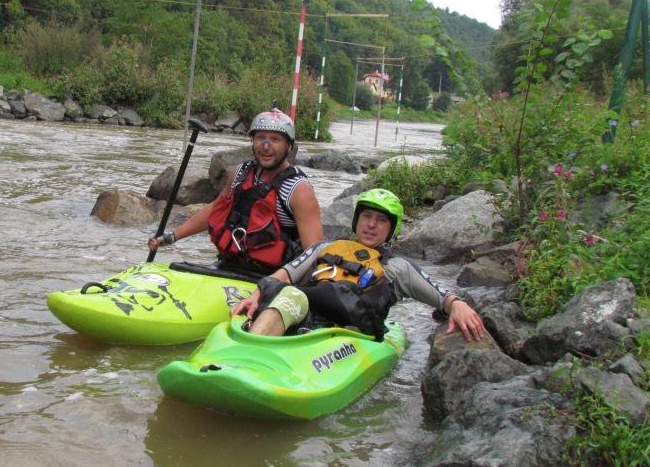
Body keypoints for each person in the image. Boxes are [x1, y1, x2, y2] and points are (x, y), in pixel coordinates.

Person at [230, 188, 485, 342]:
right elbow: (285, 275)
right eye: (366, 216)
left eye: (381, 220)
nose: (371, 225)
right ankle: (251, 348)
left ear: (391, 229)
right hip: (305, 311)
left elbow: (441, 296)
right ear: (357, 220)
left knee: (295, 299)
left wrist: (458, 305)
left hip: (350, 332)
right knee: (289, 295)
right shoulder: (324, 247)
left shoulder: (397, 267)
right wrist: (257, 294)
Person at [147, 108, 323, 274]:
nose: (266, 145)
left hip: (274, 278)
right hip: (230, 266)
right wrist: (173, 236)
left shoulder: (299, 190)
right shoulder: (240, 173)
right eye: (260, 138)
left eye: (275, 139)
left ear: (289, 146)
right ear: (252, 141)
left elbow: (313, 254)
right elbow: (214, 209)